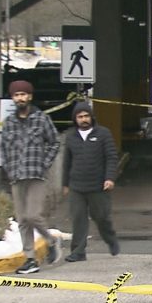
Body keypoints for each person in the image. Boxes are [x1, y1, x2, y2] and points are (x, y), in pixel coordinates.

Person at [0, 79, 63, 274]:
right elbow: (3, 148)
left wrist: (44, 163)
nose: (20, 98)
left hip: (36, 175)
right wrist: (9, 169)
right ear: (13, 98)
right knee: (22, 219)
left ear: (30, 96)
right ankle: (30, 258)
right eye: (16, 95)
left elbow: (54, 142)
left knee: (33, 215)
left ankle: (51, 240)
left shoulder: (41, 119)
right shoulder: (9, 123)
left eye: (23, 94)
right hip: (17, 176)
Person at [62, 101, 120, 261]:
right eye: (80, 117)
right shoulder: (71, 136)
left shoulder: (103, 134)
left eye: (86, 116)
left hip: (98, 186)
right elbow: (67, 162)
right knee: (78, 219)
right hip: (76, 186)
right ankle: (78, 252)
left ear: (91, 117)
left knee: (101, 217)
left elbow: (111, 157)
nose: (84, 119)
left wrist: (109, 178)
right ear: (75, 119)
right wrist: (65, 184)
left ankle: (111, 240)